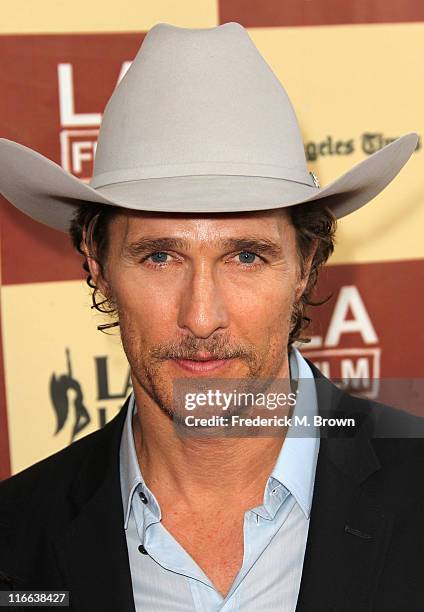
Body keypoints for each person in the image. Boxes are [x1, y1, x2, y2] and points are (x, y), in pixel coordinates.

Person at [0, 22, 423, 612]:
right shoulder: (14, 540)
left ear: (305, 263)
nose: (201, 317)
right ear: (98, 265)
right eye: (160, 256)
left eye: (245, 256)